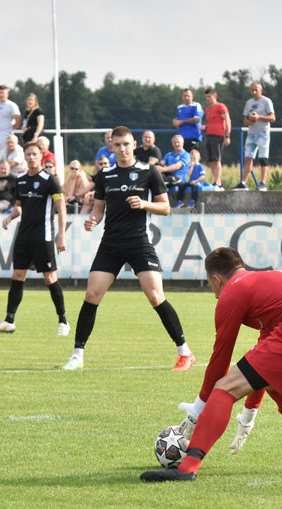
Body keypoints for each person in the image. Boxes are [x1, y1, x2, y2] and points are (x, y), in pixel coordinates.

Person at [140, 247, 282, 482]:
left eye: (211, 286)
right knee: (275, 386)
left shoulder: (232, 292)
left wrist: (198, 409)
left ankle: (187, 468)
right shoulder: (266, 281)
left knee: (224, 388)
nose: (214, 292)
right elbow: (261, 369)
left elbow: (220, 361)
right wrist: (249, 414)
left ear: (215, 279)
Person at [60, 126, 196, 373]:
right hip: (110, 243)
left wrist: (144, 203)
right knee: (92, 295)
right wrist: (92, 220)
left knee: (155, 296)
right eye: (117, 145)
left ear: (134, 144)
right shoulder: (105, 174)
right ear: (111, 146)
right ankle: (77, 355)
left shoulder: (149, 171)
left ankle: (184, 352)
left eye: (126, 144)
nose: (122, 149)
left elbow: (165, 207)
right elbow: (99, 209)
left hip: (138, 242)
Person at [0, 141, 68, 334]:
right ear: (24, 156)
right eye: (28, 154)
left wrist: (61, 236)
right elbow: (19, 205)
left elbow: (61, 207)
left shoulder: (50, 180)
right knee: (17, 275)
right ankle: (9, 320)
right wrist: (10, 216)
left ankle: (63, 321)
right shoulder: (21, 178)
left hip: (44, 236)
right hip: (24, 235)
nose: (31, 157)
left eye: (35, 154)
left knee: (50, 278)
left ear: (41, 155)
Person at [238, 82, 274, 191]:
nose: (254, 92)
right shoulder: (249, 102)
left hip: (263, 132)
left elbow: (272, 118)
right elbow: (245, 119)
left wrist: (259, 117)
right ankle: (243, 182)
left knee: (263, 157)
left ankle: (262, 182)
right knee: (248, 157)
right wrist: (248, 121)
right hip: (251, 133)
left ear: (261, 90)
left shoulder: (266, 101)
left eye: (256, 90)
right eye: (252, 90)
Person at [202, 87, 231, 190]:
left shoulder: (220, 106)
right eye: (206, 97)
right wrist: (205, 127)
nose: (208, 99)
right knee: (210, 160)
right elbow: (211, 122)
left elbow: (227, 120)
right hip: (209, 135)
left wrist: (227, 136)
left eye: (209, 96)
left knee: (217, 159)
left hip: (218, 135)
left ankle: (218, 182)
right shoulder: (208, 109)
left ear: (215, 96)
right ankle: (216, 180)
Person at [0, 85, 21, 157]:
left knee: (3, 155)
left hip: (6, 134)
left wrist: (11, 128)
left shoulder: (12, 105)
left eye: (3, 93)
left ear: (7, 94)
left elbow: (18, 119)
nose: (1, 95)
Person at [173, 88, 204, 153]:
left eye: (188, 96)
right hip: (181, 138)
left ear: (192, 96)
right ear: (182, 97)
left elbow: (196, 119)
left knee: (191, 158)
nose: (186, 98)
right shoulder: (180, 107)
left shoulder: (196, 105)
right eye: (184, 96)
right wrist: (175, 123)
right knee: (182, 159)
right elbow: (177, 121)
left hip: (193, 136)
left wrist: (181, 122)